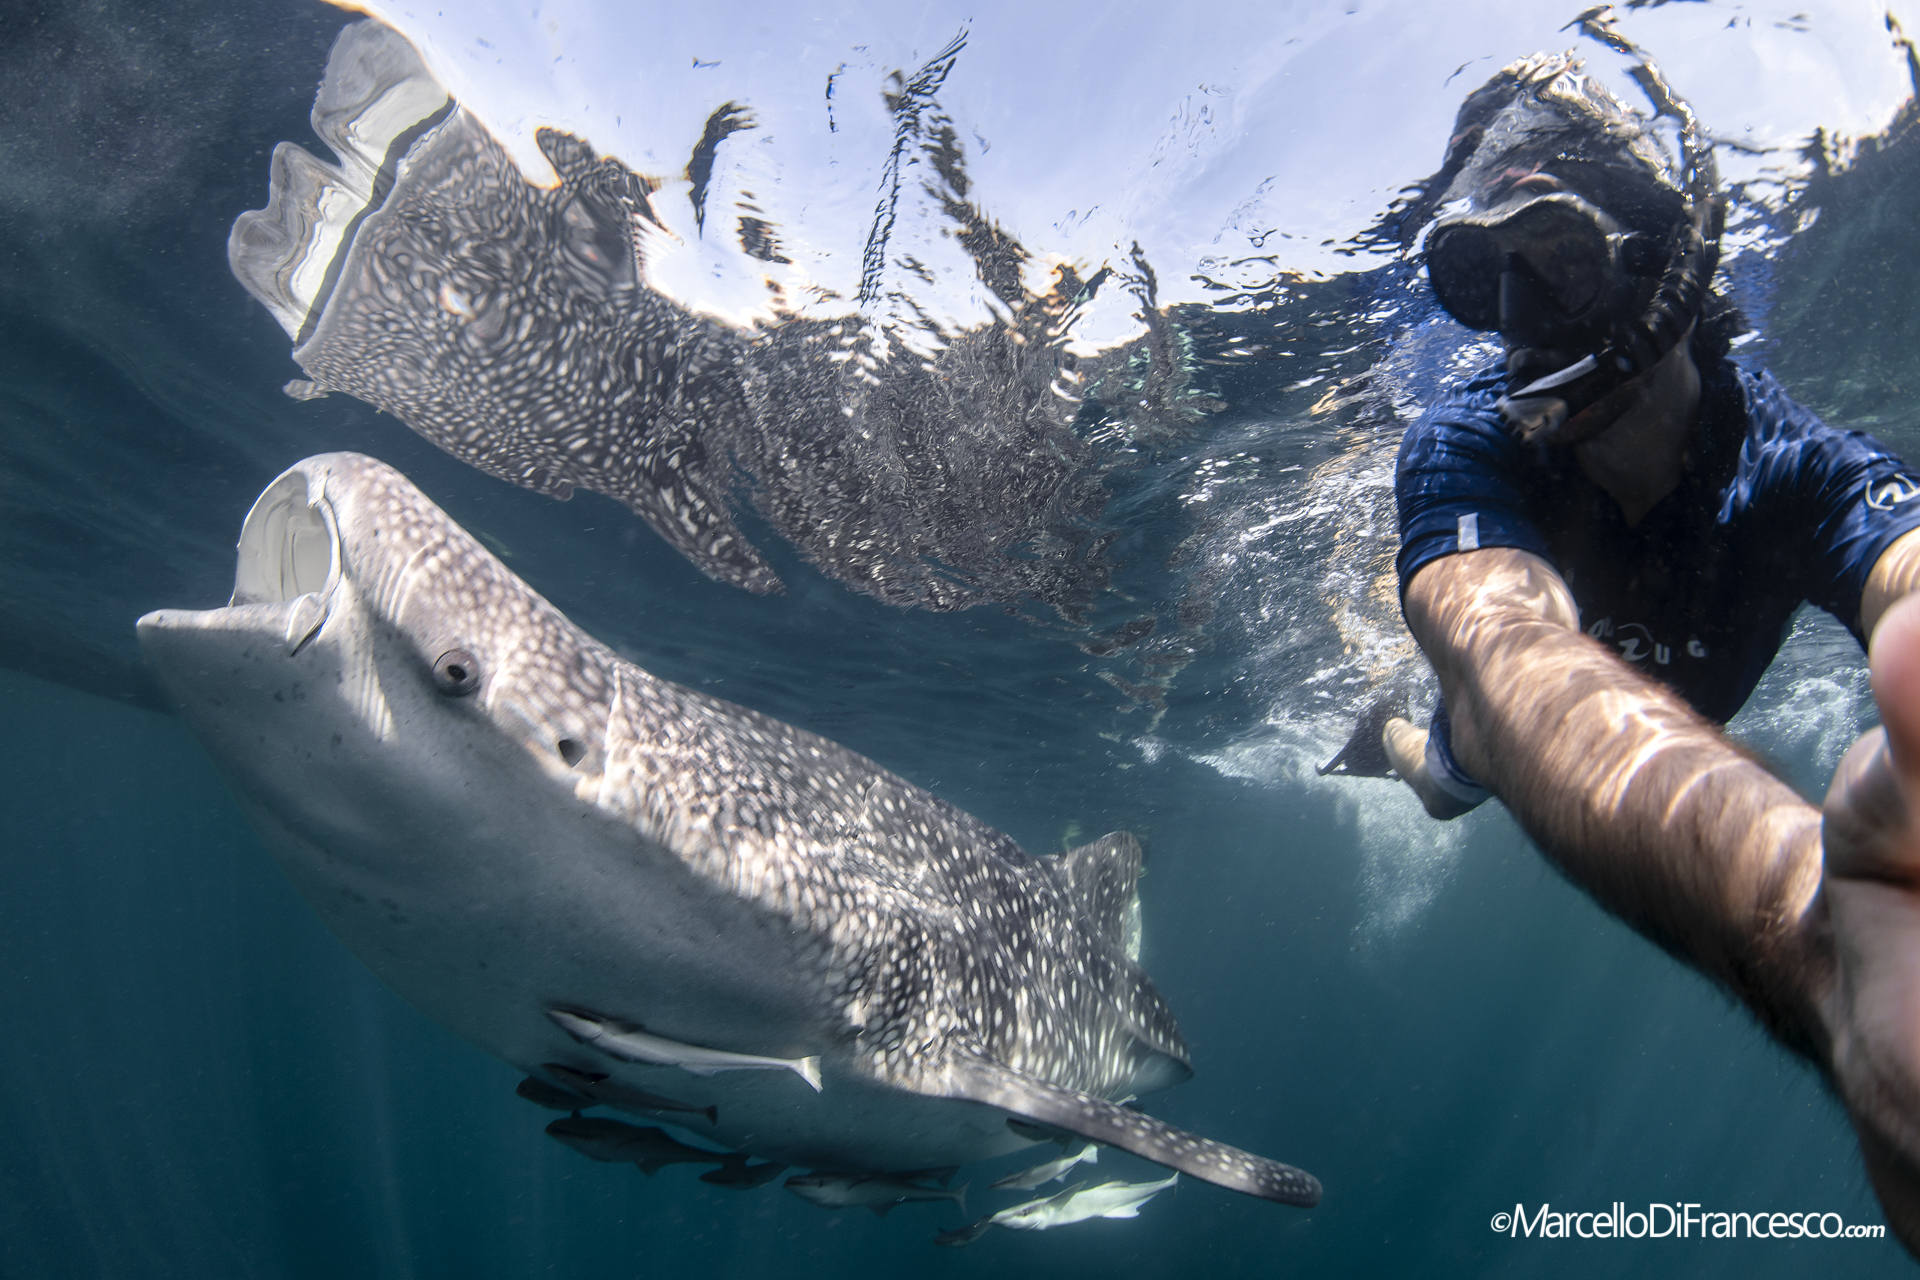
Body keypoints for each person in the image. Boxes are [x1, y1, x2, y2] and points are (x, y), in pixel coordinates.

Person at [1379, 52, 1920, 1251]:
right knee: (1441, 783)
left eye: (1554, 259)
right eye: (1482, 278)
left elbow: (1905, 557)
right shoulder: (1462, 446)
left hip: (1647, 718)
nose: (1518, 326)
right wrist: (1808, 931)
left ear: (1659, 259)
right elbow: (1501, 644)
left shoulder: (1798, 463)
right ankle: (1396, 738)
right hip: (1495, 741)